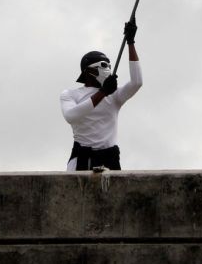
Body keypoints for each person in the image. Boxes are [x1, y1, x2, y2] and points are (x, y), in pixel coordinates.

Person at [60, 19, 142, 171]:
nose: (107, 69)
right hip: (81, 159)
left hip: (110, 159)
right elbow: (71, 116)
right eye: (103, 66)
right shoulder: (70, 94)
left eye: (109, 65)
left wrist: (131, 42)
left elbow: (137, 82)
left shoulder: (115, 95)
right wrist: (103, 92)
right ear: (87, 72)